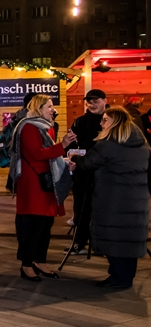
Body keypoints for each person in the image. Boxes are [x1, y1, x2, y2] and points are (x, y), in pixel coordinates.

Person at [71, 106, 150, 289]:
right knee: (129, 239)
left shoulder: (107, 144)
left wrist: (74, 159)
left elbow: (88, 162)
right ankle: (125, 277)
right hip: (137, 200)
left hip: (113, 200)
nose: (101, 123)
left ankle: (118, 277)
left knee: (115, 238)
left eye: (105, 120)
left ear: (115, 122)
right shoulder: (143, 144)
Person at [9, 95, 77, 281]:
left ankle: (40, 261)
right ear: (39, 108)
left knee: (46, 224)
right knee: (36, 225)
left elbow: (49, 156)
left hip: (46, 181)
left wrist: (64, 161)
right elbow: (36, 154)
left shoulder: (45, 126)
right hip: (34, 184)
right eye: (49, 106)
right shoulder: (28, 127)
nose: (53, 110)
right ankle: (27, 265)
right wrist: (63, 146)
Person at [65, 88, 107, 255]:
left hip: (104, 174)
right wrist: (70, 153)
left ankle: (102, 245)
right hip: (82, 173)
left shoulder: (112, 121)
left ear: (105, 101)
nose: (92, 104)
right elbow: (70, 146)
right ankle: (79, 243)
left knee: (103, 210)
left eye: (96, 101)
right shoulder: (80, 122)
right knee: (80, 210)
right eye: (89, 102)